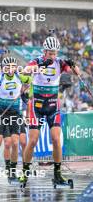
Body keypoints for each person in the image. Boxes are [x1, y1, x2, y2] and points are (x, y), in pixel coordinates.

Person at [19, 36, 81, 187]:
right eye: (50, 53)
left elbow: (77, 73)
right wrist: (40, 66)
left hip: (53, 105)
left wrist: (73, 65)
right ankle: (25, 172)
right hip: (37, 106)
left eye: (55, 53)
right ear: (44, 51)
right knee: (33, 140)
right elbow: (26, 71)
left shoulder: (59, 63)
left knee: (56, 139)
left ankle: (58, 174)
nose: (52, 56)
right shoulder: (37, 60)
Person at [0, 56, 32, 183]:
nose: (10, 69)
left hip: (16, 114)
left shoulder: (20, 76)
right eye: (7, 67)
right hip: (2, 114)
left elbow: (32, 80)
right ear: (3, 68)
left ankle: (12, 173)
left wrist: (26, 89)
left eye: (13, 66)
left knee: (14, 143)